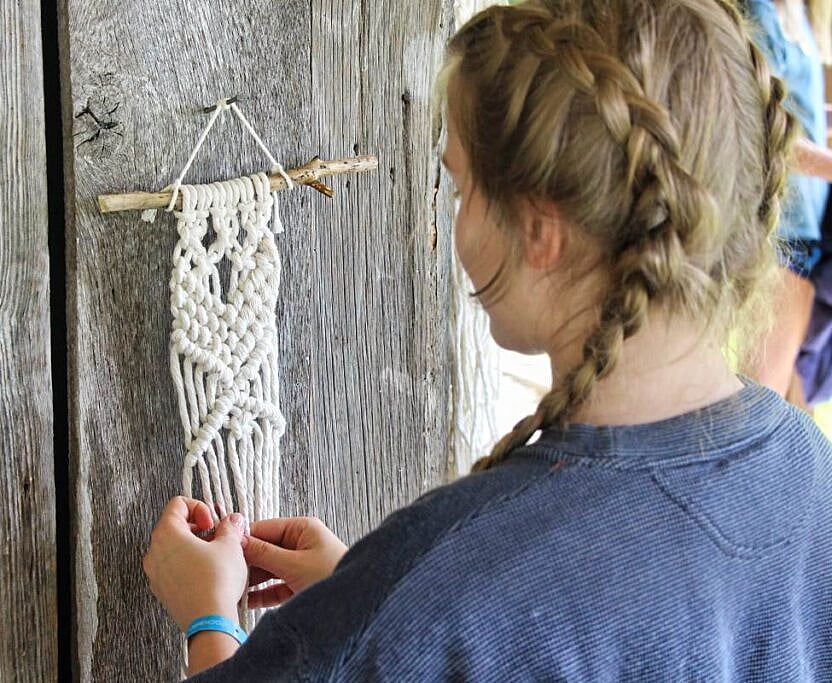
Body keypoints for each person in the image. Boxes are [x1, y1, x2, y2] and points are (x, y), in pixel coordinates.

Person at [143, 1, 832, 679]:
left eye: (461, 184)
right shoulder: (809, 474)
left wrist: (209, 616)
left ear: (540, 230)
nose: (458, 215)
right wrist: (376, 606)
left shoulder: (447, 588)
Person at [743, 0, 830, 405]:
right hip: (781, 231)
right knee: (761, 399)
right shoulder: (758, 13)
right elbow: (758, 132)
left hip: (810, 230)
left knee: (785, 400)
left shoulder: (805, 20)